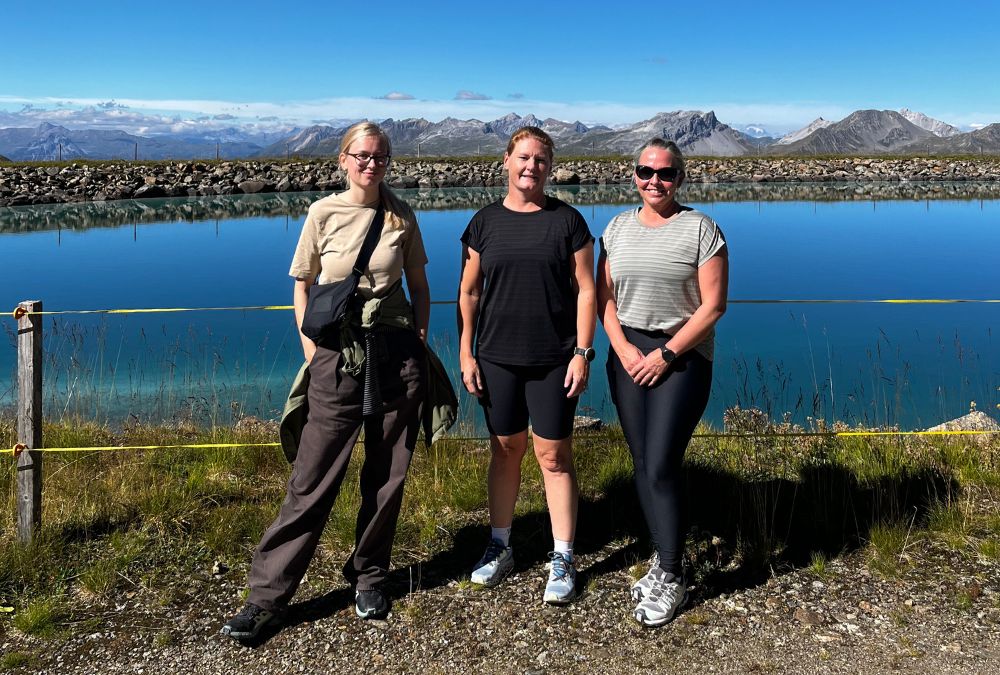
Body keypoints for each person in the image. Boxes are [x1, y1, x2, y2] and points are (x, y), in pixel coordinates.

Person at [222, 121, 431, 639]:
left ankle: (370, 576)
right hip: (337, 357)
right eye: (361, 155)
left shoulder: (402, 215)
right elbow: (303, 284)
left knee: (388, 475)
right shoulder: (322, 213)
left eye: (380, 156)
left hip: (396, 354)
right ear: (342, 160)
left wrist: (418, 342)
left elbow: (421, 286)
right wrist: (312, 352)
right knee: (312, 478)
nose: (371, 164)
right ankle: (268, 597)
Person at [457, 126, 596, 604]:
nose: (531, 166)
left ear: (549, 167)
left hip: (554, 360)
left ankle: (563, 555)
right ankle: (499, 546)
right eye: (523, 157)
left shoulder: (568, 222)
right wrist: (465, 350)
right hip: (496, 358)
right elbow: (469, 290)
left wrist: (582, 351)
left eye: (540, 159)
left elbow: (587, 290)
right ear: (506, 161)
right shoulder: (483, 223)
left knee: (554, 456)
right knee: (504, 449)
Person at [596, 138, 728, 627]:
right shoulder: (614, 228)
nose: (655, 180)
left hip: (681, 357)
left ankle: (674, 574)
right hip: (628, 355)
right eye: (646, 171)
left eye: (666, 173)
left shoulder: (701, 230)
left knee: (661, 463)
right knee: (640, 460)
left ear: (680, 178)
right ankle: (662, 556)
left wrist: (667, 353)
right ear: (633, 174)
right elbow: (603, 298)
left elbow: (713, 306)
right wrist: (624, 349)